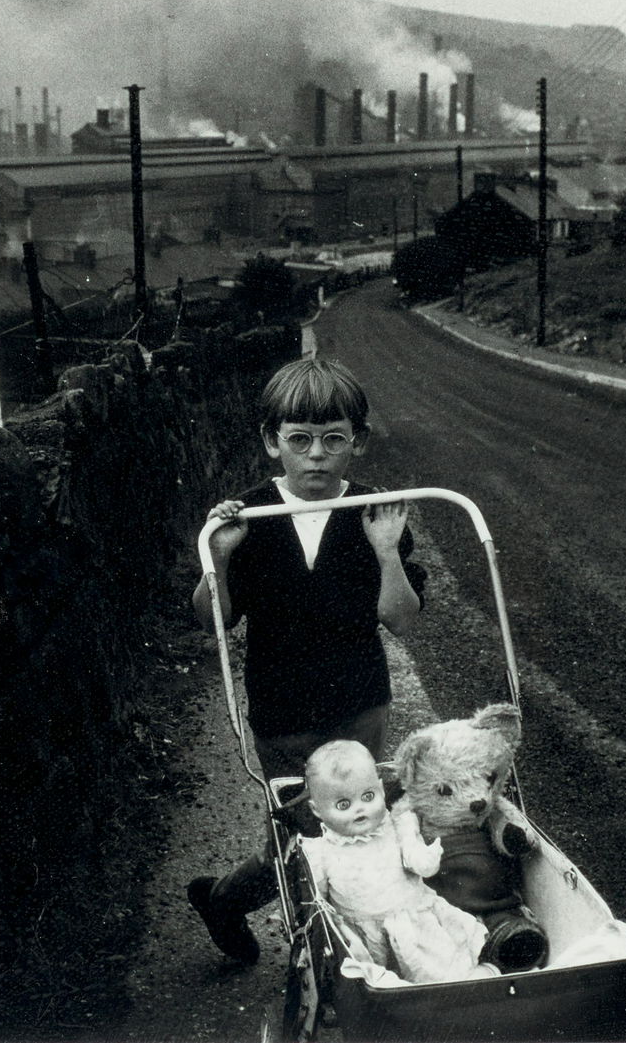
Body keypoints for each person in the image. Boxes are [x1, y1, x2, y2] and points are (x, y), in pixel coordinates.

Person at [186, 356, 426, 964]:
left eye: (332, 440)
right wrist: (220, 557)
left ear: (357, 442)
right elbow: (212, 619)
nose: (316, 455)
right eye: (300, 440)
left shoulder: (376, 511)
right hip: (283, 707)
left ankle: (350, 946)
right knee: (306, 833)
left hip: (360, 700)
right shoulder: (249, 515)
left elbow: (401, 619)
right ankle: (240, 906)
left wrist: (387, 553)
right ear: (273, 442)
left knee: (360, 826)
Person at [299, 740, 493, 983]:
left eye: (368, 796)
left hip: (412, 922)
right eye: (343, 804)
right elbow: (318, 899)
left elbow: (418, 861)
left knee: (439, 968)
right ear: (317, 810)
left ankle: (471, 979)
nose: (359, 809)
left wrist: (425, 858)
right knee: (368, 978)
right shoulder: (321, 851)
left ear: (381, 790)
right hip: (363, 933)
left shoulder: (398, 824)